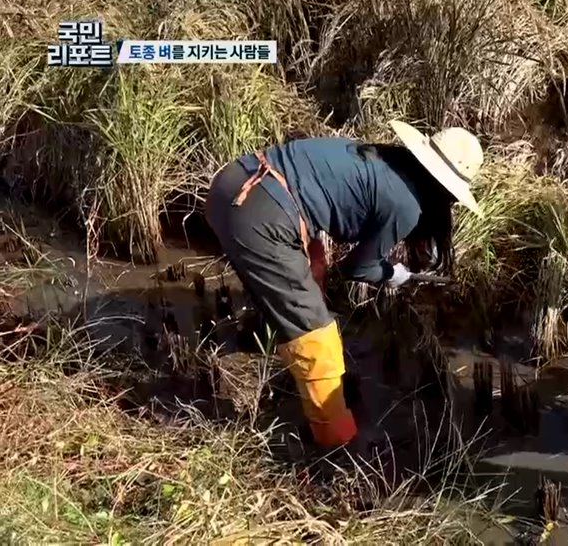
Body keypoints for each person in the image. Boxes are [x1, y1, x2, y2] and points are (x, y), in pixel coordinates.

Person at [205, 121, 484, 449]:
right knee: (319, 339)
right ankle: (335, 444)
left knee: (311, 272)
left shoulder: (379, 158)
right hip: (258, 212)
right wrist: (391, 274)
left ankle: (273, 352)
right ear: (446, 191)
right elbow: (357, 267)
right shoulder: (406, 204)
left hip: (232, 183)